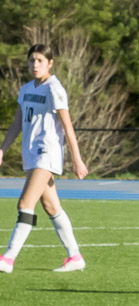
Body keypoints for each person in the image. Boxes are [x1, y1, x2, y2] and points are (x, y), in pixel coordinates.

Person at [0, 43, 89, 274]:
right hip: (32, 155)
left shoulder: (54, 88)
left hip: (47, 154)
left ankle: (8, 259)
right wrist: (2, 149)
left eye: (40, 60)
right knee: (51, 206)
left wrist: (78, 160)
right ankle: (75, 256)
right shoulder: (26, 89)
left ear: (50, 63)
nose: (35, 65)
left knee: (24, 204)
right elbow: (16, 124)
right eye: (32, 60)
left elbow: (68, 128)